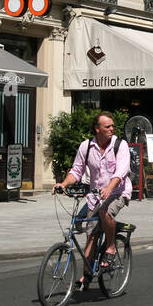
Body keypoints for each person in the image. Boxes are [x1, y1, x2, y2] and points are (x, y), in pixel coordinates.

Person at [55, 111, 131, 290]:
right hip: (95, 196)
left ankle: (111, 248)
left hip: (118, 191)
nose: (112, 129)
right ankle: (86, 277)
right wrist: (64, 184)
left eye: (112, 126)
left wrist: (109, 188)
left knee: (106, 211)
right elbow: (76, 171)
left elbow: (121, 171)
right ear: (97, 129)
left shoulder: (120, 145)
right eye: (107, 126)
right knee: (91, 235)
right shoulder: (86, 146)